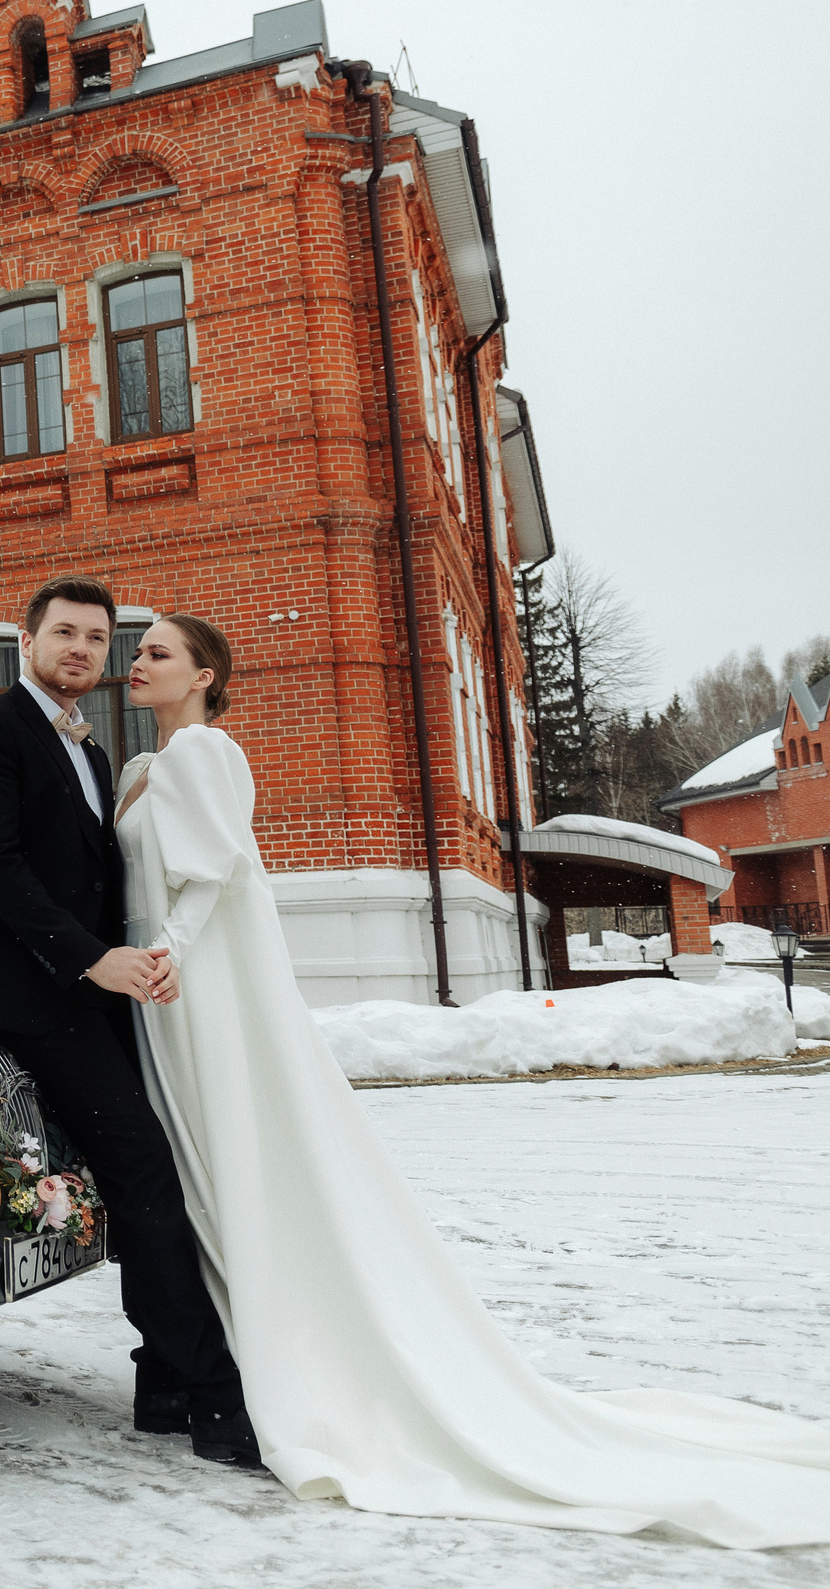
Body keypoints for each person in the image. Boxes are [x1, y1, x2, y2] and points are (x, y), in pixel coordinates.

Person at [117, 611, 830, 1548]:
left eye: (158, 652)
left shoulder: (203, 751)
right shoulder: (144, 765)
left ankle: (286, 1360)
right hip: (163, 986)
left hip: (197, 980)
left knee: (238, 1151)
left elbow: (212, 875)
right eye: (139, 651)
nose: (137, 662)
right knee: (207, 1163)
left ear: (205, 674)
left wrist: (168, 949)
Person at [0, 575, 256, 1467]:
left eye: (97, 638)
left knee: (145, 1171)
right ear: (27, 641)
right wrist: (90, 958)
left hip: (87, 988)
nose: (81, 649)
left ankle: (163, 1384)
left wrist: (135, 960)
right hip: (17, 986)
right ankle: (213, 1399)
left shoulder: (97, 752)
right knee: (144, 1166)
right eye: (64, 632)